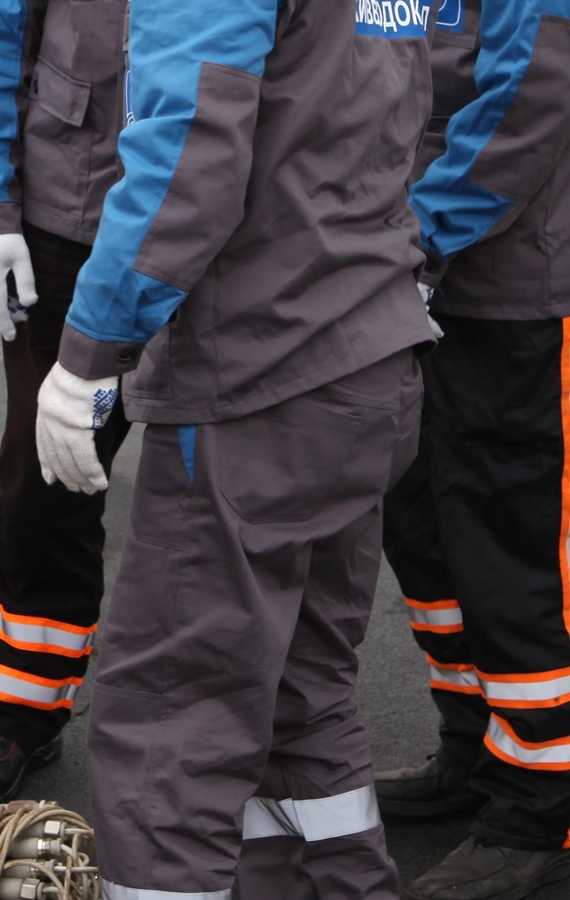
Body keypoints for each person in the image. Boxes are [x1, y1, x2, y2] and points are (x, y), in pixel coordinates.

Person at [34, 1, 438, 896]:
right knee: (300, 689)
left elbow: (187, 153)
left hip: (259, 375)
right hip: (364, 352)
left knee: (174, 713)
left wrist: (90, 349)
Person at [373, 1, 570, 897]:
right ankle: (478, 748)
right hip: (423, 272)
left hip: (515, 285)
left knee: (513, 553)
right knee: (425, 532)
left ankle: (541, 805)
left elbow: (529, 96)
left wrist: (415, 239)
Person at [0, 0, 132, 807]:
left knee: (227, 486)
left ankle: (230, 713)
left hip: (229, 229)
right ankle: (20, 712)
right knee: (44, 480)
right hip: (71, 220)